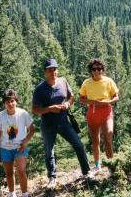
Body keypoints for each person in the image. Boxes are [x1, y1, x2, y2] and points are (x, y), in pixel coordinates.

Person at [32, 58, 93, 189]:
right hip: (47, 125)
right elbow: (35, 110)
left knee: (78, 144)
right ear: (45, 72)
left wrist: (67, 103)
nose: (53, 72)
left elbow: (71, 97)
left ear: (57, 70)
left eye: (54, 69)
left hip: (64, 122)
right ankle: (52, 178)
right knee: (50, 152)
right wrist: (49, 109)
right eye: (49, 70)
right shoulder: (39, 89)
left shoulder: (63, 81)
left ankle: (86, 171)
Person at [0, 89, 35, 197]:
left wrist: (25, 142)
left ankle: (25, 196)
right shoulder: (0, 116)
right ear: (4, 103)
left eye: (12, 101)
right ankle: (12, 195)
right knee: (8, 172)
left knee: (21, 171)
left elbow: (32, 130)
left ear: (16, 101)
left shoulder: (23, 114)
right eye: (7, 102)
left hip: (19, 147)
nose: (10, 104)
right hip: (5, 147)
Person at [79, 58, 119, 173]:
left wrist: (108, 102)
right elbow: (81, 99)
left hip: (106, 111)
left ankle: (112, 166)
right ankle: (97, 166)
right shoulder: (86, 83)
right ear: (91, 70)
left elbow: (116, 96)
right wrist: (93, 102)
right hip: (92, 112)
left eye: (99, 68)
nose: (97, 71)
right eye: (94, 69)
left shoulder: (109, 81)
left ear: (103, 69)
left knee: (108, 138)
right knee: (95, 140)